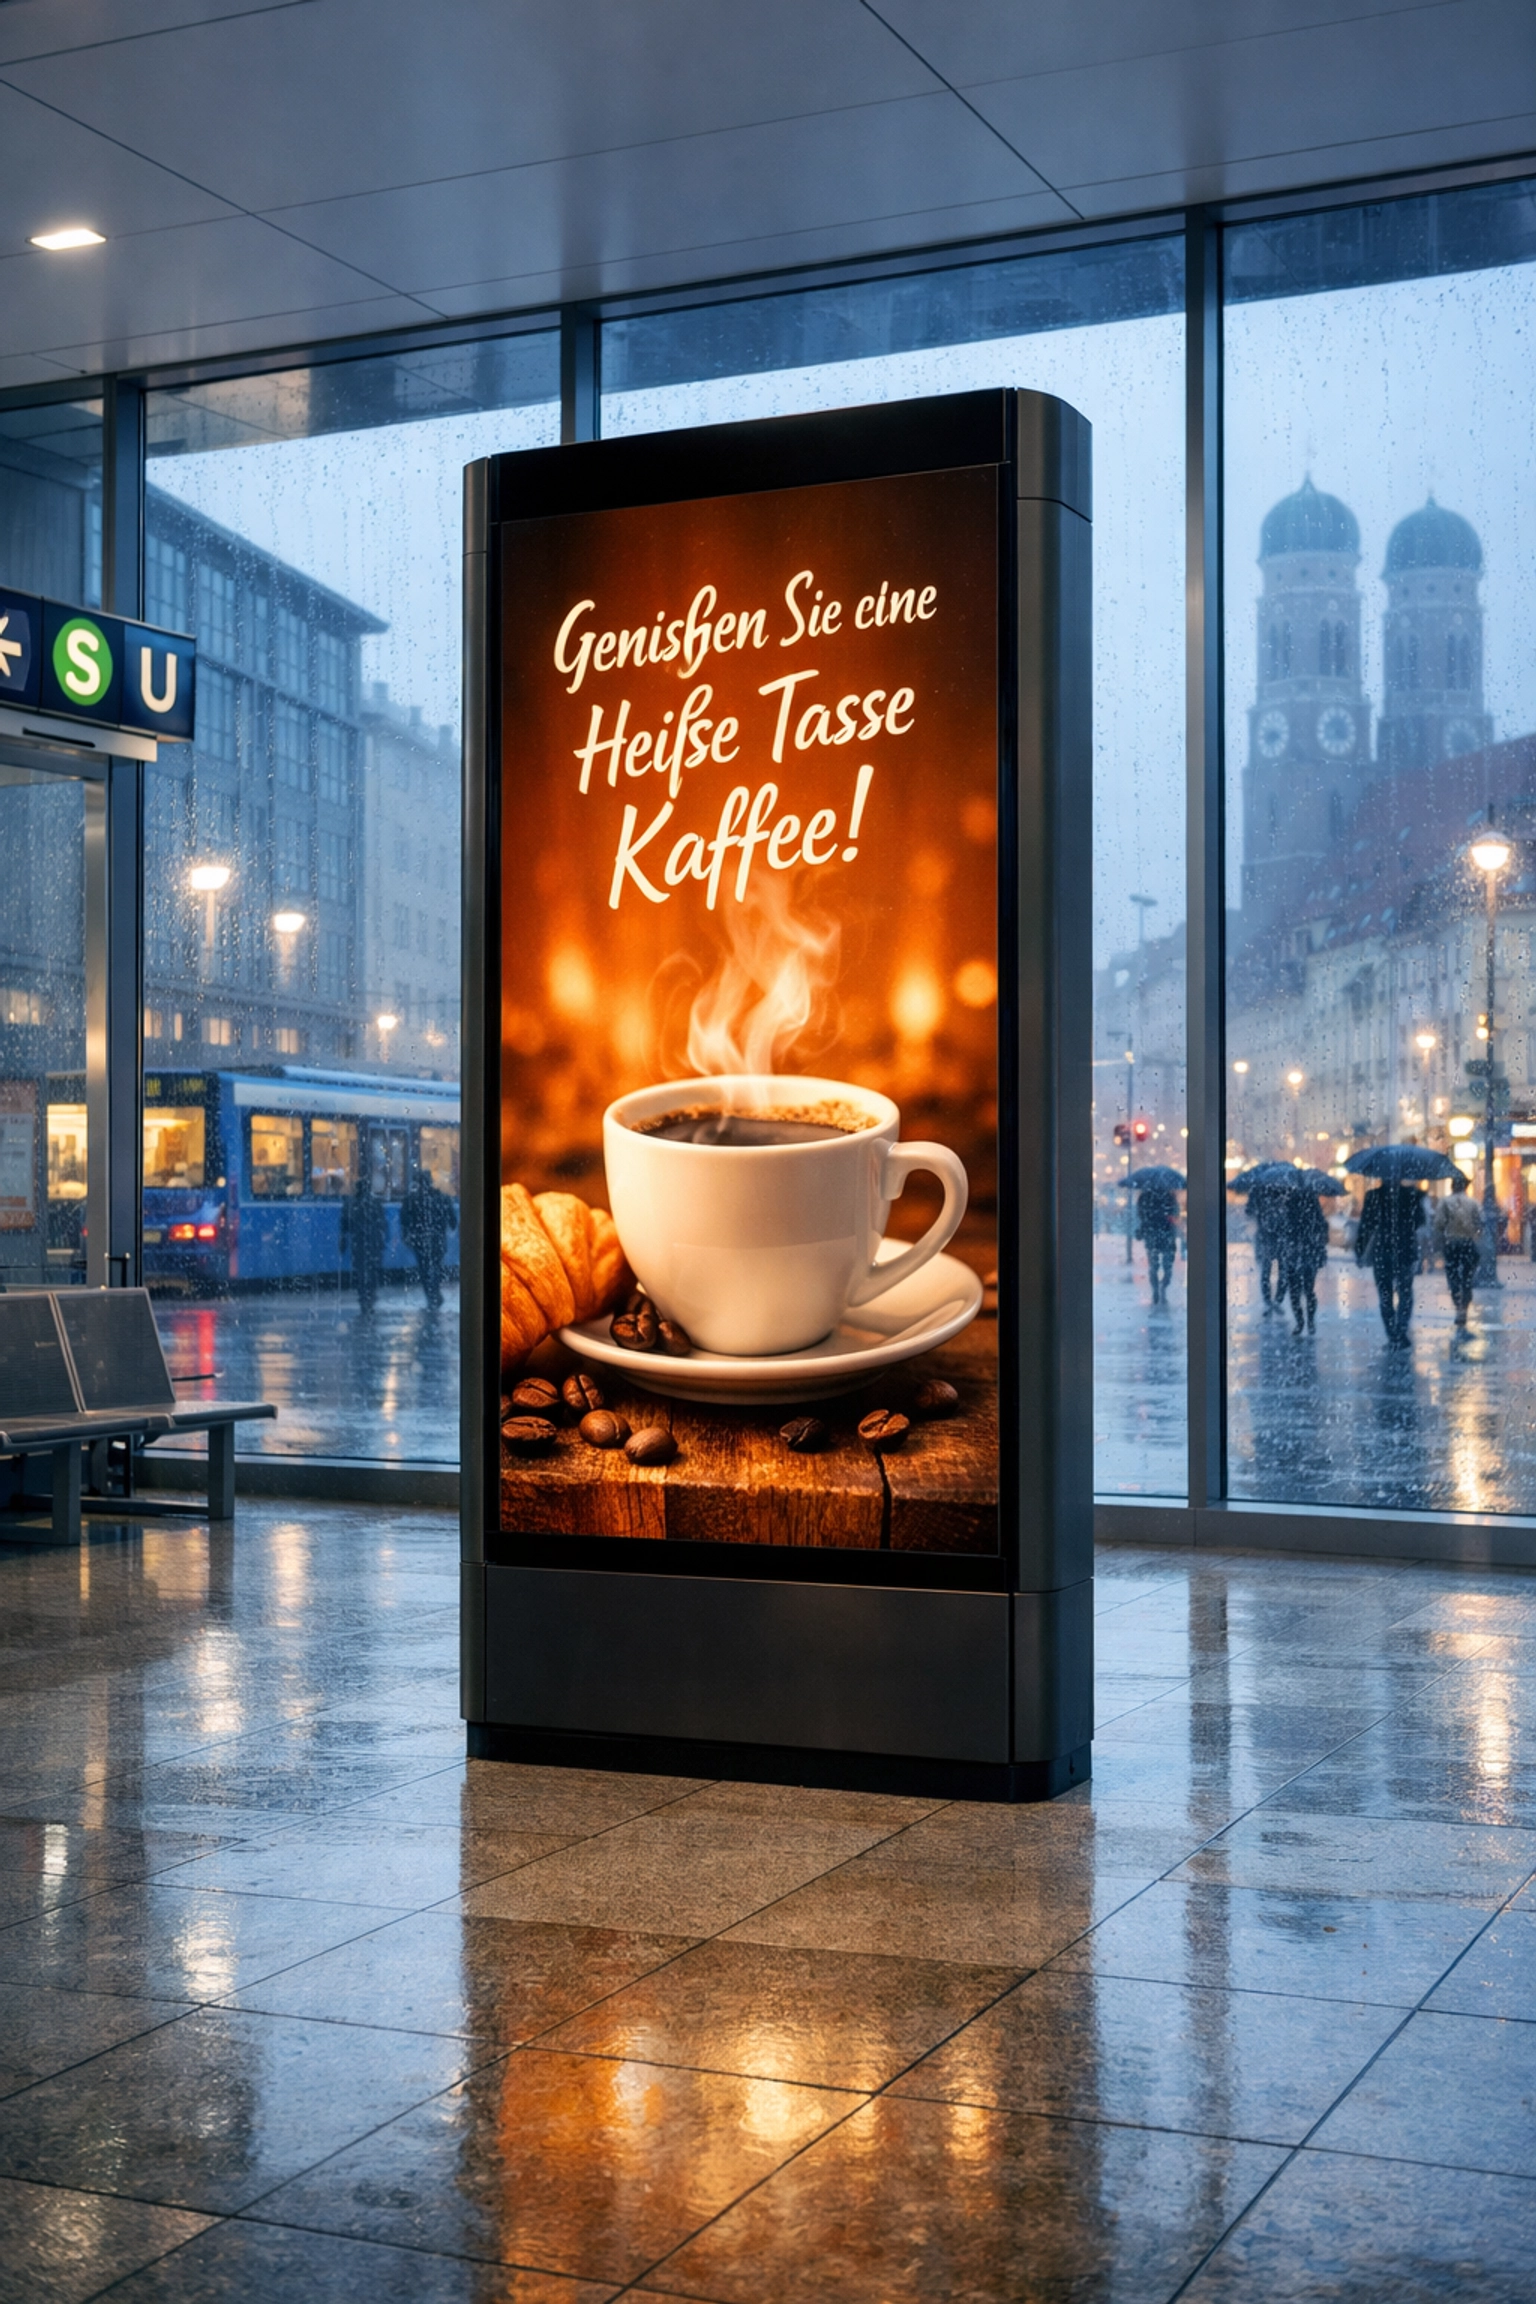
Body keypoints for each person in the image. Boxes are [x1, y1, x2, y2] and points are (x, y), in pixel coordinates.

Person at [1355, 1180, 1425, 1345]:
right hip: (1404, 1249)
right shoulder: (1410, 1195)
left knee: (1385, 1294)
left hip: (1383, 1250)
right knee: (1405, 1293)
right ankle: (1400, 1330)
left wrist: (1359, 1250)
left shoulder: (1373, 1196)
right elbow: (1419, 1221)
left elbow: (1366, 1225)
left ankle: (1392, 1332)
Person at [1433, 1172, 1482, 1329]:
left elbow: (1439, 1224)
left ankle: (1458, 1308)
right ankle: (1464, 1310)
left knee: (1453, 1277)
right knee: (1467, 1278)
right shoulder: (1473, 1203)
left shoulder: (1445, 1203)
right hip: (1468, 1244)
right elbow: (1480, 1223)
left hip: (1452, 1244)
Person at [400, 1168, 452, 1312]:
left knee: (424, 1269)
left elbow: (404, 1220)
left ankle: (432, 1297)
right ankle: (435, 1295)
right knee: (436, 1267)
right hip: (438, 1241)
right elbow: (452, 1221)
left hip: (420, 1241)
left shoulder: (411, 1199)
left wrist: (407, 1235)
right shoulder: (443, 1198)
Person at [1280, 1189, 1329, 1335]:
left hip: (1296, 1253)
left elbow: (1284, 1230)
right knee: (1308, 1290)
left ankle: (1301, 1322)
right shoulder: (1313, 1209)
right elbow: (1323, 1231)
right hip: (1308, 1253)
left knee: (1296, 1291)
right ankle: (1308, 1321)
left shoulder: (1290, 1205)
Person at [347, 1174, 387, 1318]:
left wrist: (344, 1241)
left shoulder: (352, 1203)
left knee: (361, 1273)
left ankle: (364, 1299)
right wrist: (382, 1242)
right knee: (371, 1273)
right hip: (373, 1245)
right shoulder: (375, 1203)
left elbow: (346, 1224)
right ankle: (369, 1299)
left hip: (359, 1245)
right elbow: (383, 1225)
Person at [1135, 1182, 1178, 1305]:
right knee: (1167, 1265)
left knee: (1154, 1265)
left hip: (1152, 1234)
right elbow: (1175, 1212)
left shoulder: (1145, 1196)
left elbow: (1140, 1214)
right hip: (1167, 1233)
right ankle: (1163, 1287)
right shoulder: (1169, 1196)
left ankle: (1156, 1289)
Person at [1248, 1180, 1286, 1313]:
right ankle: (1273, 1301)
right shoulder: (1280, 1194)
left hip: (1271, 1239)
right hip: (1271, 1239)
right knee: (1273, 1271)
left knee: (1271, 1271)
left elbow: (1250, 1211)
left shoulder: (1260, 1194)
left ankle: (1272, 1301)